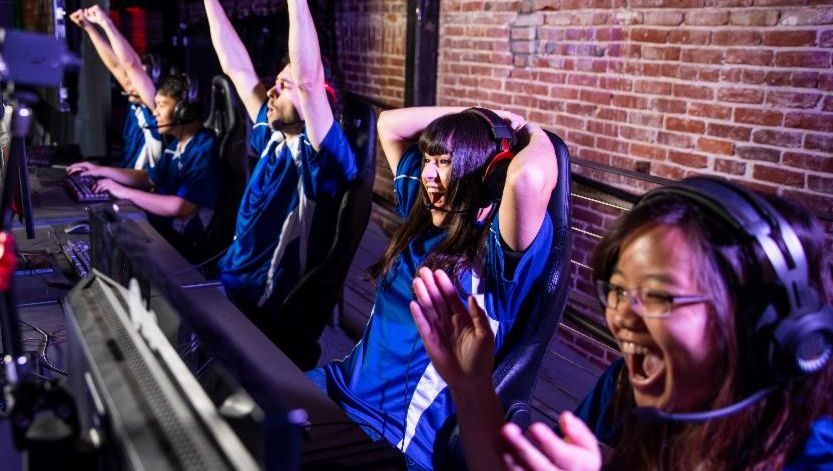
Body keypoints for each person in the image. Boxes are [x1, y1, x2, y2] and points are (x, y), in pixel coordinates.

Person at [410, 177, 833, 470]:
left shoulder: (816, 453)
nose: (621, 317)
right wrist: (470, 385)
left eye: (658, 296)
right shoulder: (623, 387)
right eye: (615, 290)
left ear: (759, 318)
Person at [309, 106, 558, 470]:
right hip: (335, 386)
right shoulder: (426, 211)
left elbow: (527, 178)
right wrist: (484, 116)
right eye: (427, 159)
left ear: (489, 175)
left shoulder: (498, 255)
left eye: (443, 162)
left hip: (392, 439)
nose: (427, 174)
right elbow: (390, 125)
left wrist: (528, 131)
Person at [204, 0, 358, 367]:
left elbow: (308, 81)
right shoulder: (274, 136)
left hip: (256, 309)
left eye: (282, 86)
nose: (270, 92)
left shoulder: (322, 157)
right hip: (225, 282)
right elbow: (237, 68)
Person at [66, 74, 219, 261]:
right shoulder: (178, 144)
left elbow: (181, 207)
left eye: (162, 105)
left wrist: (126, 192)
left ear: (183, 110)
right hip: (158, 229)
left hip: (179, 246)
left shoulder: (204, 148)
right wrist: (100, 171)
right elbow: (148, 178)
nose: (155, 113)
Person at [68, 5, 162, 170]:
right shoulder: (137, 103)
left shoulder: (156, 111)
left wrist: (106, 23)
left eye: (138, 78)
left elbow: (131, 65)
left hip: (141, 184)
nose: (130, 82)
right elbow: (117, 66)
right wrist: (89, 27)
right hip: (126, 175)